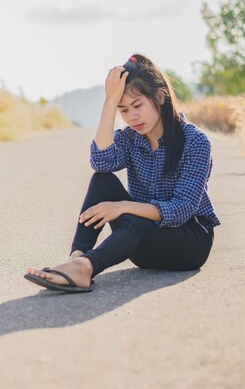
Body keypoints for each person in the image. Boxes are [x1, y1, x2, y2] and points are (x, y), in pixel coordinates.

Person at [24, 53, 220, 293]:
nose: (132, 117)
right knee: (102, 180)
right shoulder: (130, 139)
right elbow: (101, 161)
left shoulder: (194, 140)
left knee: (134, 220)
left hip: (189, 245)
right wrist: (109, 101)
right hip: (143, 246)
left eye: (137, 105)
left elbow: (182, 210)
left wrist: (122, 207)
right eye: (123, 110)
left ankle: (85, 268)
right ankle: (76, 259)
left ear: (160, 96)